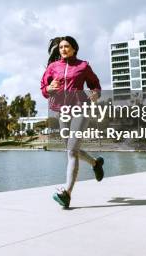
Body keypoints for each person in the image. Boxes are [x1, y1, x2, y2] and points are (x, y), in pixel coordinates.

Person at [40, 36, 104, 208]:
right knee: (71, 148)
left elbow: (95, 85)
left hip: (81, 109)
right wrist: (49, 89)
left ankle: (67, 193)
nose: (63, 49)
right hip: (62, 111)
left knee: (71, 151)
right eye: (61, 47)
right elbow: (44, 88)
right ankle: (95, 163)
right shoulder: (53, 67)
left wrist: (96, 93)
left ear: (74, 48)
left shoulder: (83, 66)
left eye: (66, 46)